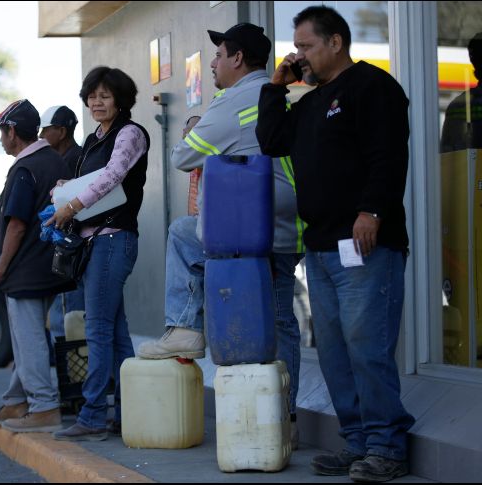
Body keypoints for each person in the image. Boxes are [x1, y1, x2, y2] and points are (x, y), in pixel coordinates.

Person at [256, 6, 415, 482]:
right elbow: (271, 140)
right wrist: (276, 85)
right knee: (334, 351)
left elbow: (388, 155)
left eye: (305, 46)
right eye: (297, 47)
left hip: (367, 243)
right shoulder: (307, 102)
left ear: (335, 43)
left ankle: (388, 445)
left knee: (367, 347)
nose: (298, 55)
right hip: (321, 248)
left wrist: (373, 211)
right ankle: (359, 442)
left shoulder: (373, 87)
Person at [136, 23, 305, 446]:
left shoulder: (236, 100)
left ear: (237, 58)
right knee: (281, 320)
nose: (212, 62)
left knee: (181, 234)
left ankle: (184, 329)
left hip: (250, 228)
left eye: (218, 54)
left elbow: (182, 155)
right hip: (287, 228)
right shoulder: (270, 93)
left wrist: (195, 126)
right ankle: (285, 418)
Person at [48, 66, 149, 441]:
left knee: (98, 329)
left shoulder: (130, 133)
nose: (96, 101)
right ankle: (126, 411)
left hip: (112, 239)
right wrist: (64, 190)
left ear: (120, 99)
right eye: (91, 95)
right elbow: (89, 179)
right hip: (96, 242)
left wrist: (71, 205)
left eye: (104, 95)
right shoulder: (95, 137)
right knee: (117, 333)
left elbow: (112, 176)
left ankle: (91, 415)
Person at [0, 99, 73, 432]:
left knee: (29, 337)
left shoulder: (25, 168)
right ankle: (16, 400)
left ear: (12, 133)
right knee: (28, 336)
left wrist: (1, 267)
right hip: (48, 264)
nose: (1, 139)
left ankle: (44, 406)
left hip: (25, 268)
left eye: (2, 131)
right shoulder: (53, 160)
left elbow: (17, 225)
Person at [39, 105, 85, 342]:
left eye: (45, 131)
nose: (41, 136)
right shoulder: (65, 158)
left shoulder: (73, 160)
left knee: (68, 319)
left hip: (72, 250)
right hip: (67, 248)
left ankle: (73, 376)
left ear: (61, 131)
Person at [39, 105, 82, 175]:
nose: (40, 135)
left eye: (44, 130)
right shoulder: (77, 157)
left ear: (62, 132)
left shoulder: (72, 162)